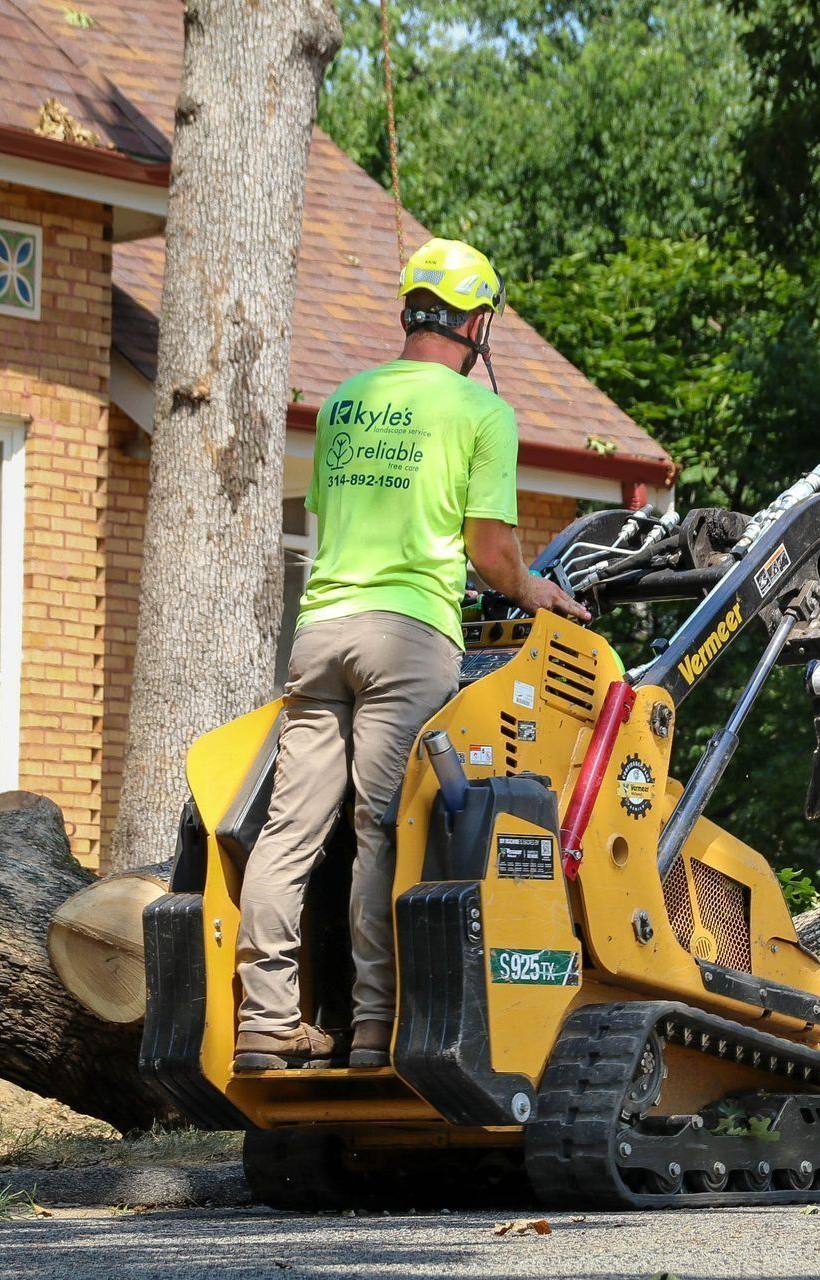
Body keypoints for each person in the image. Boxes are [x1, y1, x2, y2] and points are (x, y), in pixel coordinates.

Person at [233, 238, 589, 1071]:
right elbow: (490, 551)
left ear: (410, 309)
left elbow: (332, 513)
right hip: (409, 637)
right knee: (385, 827)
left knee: (292, 831)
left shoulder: (343, 404)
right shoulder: (482, 414)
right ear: (476, 322)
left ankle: (265, 1021)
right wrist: (535, 589)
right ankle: (375, 1025)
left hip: (321, 633)